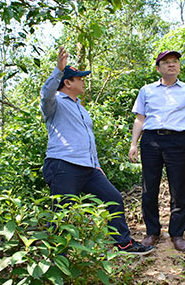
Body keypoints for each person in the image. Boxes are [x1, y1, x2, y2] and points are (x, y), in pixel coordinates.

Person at [41, 47, 152, 255]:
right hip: (63, 165)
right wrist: (58, 69)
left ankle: (124, 244)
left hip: (88, 167)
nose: (83, 82)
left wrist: (96, 165)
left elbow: (87, 140)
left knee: (113, 198)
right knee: (63, 214)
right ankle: (57, 258)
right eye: (79, 79)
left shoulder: (80, 108)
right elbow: (45, 93)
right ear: (67, 82)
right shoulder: (54, 104)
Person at [129, 50, 185, 252]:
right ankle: (152, 231)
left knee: (178, 188)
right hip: (151, 140)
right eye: (166, 62)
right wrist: (133, 143)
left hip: (177, 141)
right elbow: (140, 118)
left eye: (175, 62)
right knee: (149, 187)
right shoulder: (147, 90)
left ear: (179, 66)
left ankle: (177, 233)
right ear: (158, 68)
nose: (171, 65)